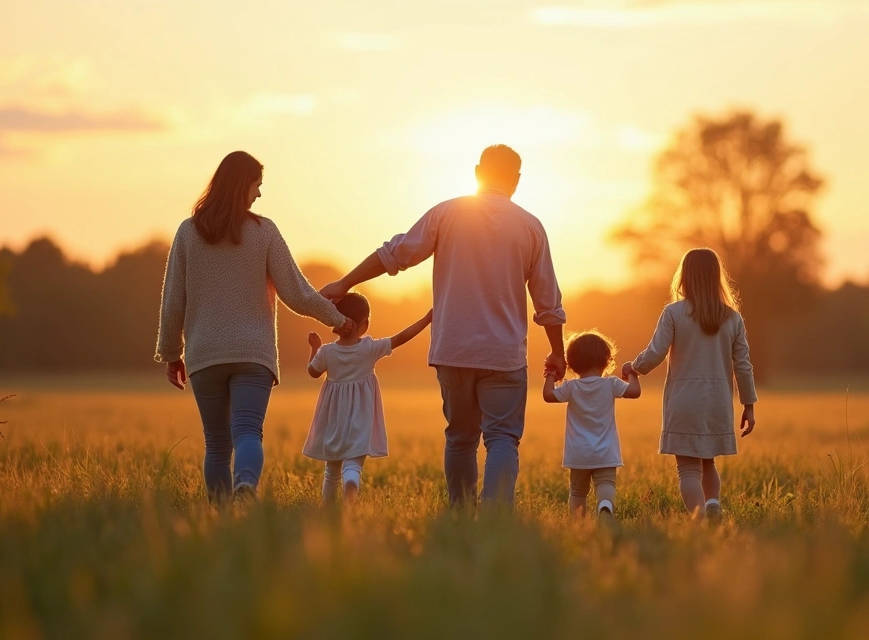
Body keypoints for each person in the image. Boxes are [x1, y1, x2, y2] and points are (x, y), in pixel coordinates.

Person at [321, 145, 566, 509]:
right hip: (505, 355)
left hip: (454, 350)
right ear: (516, 180)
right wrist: (558, 351)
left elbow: (395, 255)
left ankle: (461, 514)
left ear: (477, 172)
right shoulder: (530, 226)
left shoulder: (447, 214)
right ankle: (496, 517)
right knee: (502, 439)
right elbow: (548, 300)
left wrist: (344, 283)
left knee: (461, 438)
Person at [155, 150, 353, 503]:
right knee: (247, 431)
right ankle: (245, 486)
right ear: (241, 186)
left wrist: (172, 354)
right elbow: (297, 293)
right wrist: (338, 320)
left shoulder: (187, 233)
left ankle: (219, 515)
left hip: (204, 356)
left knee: (216, 443)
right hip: (253, 355)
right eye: (256, 186)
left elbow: (172, 303)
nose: (259, 195)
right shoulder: (264, 232)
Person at [624, 248, 757, 522]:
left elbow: (655, 352)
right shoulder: (733, 318)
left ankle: (700, 522)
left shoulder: (673, 313)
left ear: (684, 277)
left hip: (685, 400)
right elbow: (743, 366)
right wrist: (749, 404)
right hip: (717, 400)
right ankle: (712, 503)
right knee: (708, 461)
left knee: (687, 469)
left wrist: (634, 367)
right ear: (716, 277)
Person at [302, 293, 432, 504]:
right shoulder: (369, 348)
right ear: (364, 324)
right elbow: (401, 337)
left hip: (334, 417)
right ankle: (352, 480)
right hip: (360, 416)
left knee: (332, 468)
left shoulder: (327, 352)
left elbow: (312, 372)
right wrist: (426, 319)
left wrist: (314, 348)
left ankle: (329, 509)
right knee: (353, 461)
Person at [542, 331, 641, 521]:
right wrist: (632, 374)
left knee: (578, 490)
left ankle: (578, 523)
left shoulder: (571, 387)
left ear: (571, 363)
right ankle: (605, 505)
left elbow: (548, 395)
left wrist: (550, 376)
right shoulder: (611, 384)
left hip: (578, 453)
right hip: (605, 452)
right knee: (606, 483)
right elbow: (634, 392)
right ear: (606, 360)